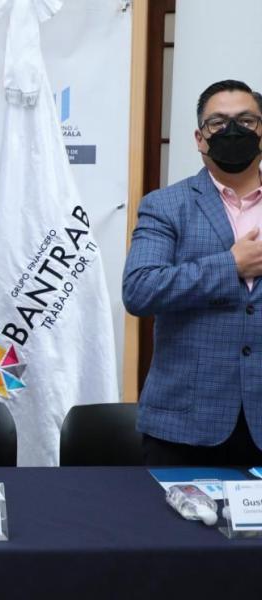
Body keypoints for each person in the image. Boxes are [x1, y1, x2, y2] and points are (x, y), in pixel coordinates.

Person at [123, 79, 262, 465]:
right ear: (200, 139)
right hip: (184, 427)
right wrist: (231, 265)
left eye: (246, 121)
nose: (232, 131)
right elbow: (139, 290)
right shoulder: (165, 206)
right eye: (218, 123)